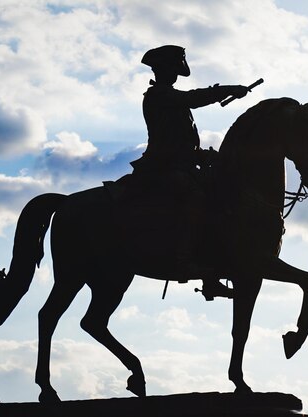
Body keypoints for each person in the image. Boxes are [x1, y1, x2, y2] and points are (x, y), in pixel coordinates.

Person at [133, 45, 249, 296]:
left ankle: (212, 267)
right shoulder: (159, 96)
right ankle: (183, 262)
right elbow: (192, 99)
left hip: (181, 162)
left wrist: (201, 155)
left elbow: (178, 139)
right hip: (163, 166)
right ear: (161, 70)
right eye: (171, 69)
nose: (173, 74)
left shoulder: (169, 96)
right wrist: (227, 90)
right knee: (195, 197)